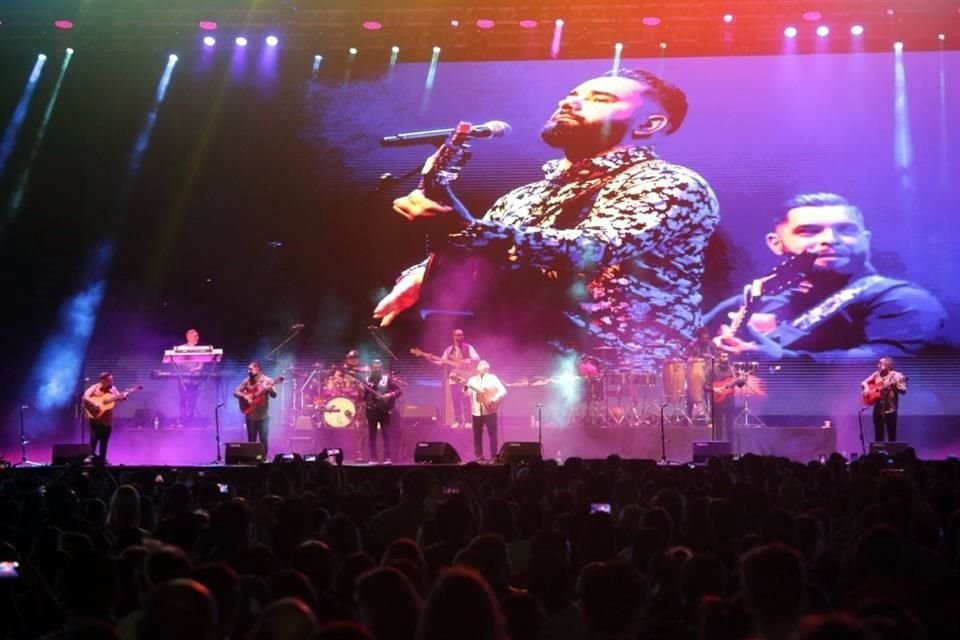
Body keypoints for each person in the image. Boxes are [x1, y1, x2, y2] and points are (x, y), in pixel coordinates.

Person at [374, 69, 719, 367]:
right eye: (570, 95)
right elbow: (475, 252)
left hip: (631, 382)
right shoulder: (524, 197)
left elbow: (592, 249)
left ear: (648, 123)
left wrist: (464, 229)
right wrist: (420, 274)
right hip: (523, 372)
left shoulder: (671, 182)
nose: (569, 102)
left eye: (599, 98)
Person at [708, 193, 947, 361]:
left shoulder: (904, 300)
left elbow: (880, 365)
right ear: (776, 243)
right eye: (809, 231)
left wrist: (781, 359)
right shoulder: (755, 299)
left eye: (846, 229)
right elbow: (682, 342)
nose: (830, 239)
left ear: (866, 238)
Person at [83, 371, 131, 462]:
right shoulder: (95, 387)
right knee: (94, 438)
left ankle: (102, 459)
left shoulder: (113, 389)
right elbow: (86, 396)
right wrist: (94, 403)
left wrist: (123, 397)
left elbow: (118, 397)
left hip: (107, 420)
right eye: (110, 380)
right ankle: (90, 457)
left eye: (112, 380)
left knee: (104, 441)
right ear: (103, 380)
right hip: (95, 418)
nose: (112, 382)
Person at [360, 359, 402, 464]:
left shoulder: (386, 379)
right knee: (372, 435)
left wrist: (389, 395)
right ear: (371, 368)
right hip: (371, 410)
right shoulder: (366, 380)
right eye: (375, 368)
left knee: (386, 435)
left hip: (384, 410)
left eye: (379, 368)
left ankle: (387, 458)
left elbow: (399, 391)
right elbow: (363, 397)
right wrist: (359, 391)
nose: (377, 370)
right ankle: (373, 458)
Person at [464, 360, 507, 462]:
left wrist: (493, 399)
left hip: (490, 411)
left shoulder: (493, 378)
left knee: (493, 435)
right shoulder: (472, 380)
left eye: (485, 368)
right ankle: (479, 456)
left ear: (488, 369)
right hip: (476, 412)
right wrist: (465, 389)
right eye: (480, 367)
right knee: (477, 435)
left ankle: (493, 456)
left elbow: (503, 391)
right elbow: (468, 394)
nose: (482, 369)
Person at [233, 361, 277, 455]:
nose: (248, 371)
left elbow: (274, 395)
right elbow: (236, 392)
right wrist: (244, 397)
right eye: (248, 369)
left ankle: (264, 460)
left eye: (251, 369)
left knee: (263, 440)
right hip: (250, 415)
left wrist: (270, 390)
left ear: (258, 369)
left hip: (263, 416)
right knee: (251, 440)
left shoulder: (267, 381)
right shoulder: (247, 381)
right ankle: (252, 460)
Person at [860, 356, 907, 442]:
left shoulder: (897, 376)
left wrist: (894, 387)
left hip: (890, 410)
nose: (878, 365)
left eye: (880, 363)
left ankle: (892, 454)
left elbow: (903, 391)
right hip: (878, 410)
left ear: (887, 365)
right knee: (878, 436)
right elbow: (863, 382)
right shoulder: (877, 374)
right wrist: (866, 388)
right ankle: (878, 455)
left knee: (891, 436)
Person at [440, 329, 480, 428]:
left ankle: (468, 421)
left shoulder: (468, 347)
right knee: (455, 399)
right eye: (458, 335)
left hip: (466, 377)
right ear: (453, 336)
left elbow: (477, 359)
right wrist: (430, 358)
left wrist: (468, 360)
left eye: (462, 335)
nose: (460, 337)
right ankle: (457, 420)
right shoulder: (449, 350)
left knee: (466, 397)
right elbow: (441, 362)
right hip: (453, 379)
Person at [708, 352, 741, 440]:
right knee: (718, 425)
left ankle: (730, 446)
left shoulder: (732, 369)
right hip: (718, 400)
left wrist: (742, 379)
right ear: (719, 358)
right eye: (723, 356)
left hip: (730, 401)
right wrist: (715, 389)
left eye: (727, 356)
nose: (726, 358)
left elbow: (739, 384)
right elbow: (705, 385)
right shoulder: (713, 368)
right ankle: (719, 446)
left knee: (730, 425)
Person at [177, 328, 204, 424]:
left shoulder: (200, 350)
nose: (198, 338)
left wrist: (196, 369)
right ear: (188, 337)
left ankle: (190, 419)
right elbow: (177, 363)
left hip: (195, 379)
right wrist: (187, 369)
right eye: (195, 336)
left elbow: (201, 364)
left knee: (193, 399)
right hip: (184, 379)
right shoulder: (181, 348)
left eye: (197, 336)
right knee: (183, 399)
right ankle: (183, 419)